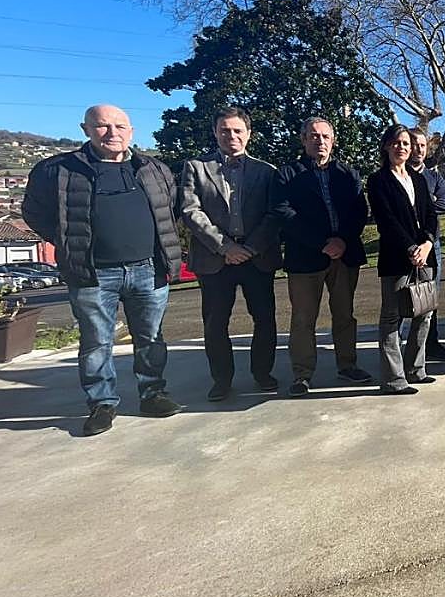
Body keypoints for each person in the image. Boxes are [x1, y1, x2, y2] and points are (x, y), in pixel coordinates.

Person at [23, 104, 184, 436]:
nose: (112, 133)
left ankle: (153, 393)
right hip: (93, 273)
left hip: (148, 269)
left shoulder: (153, 169)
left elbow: (172, 209)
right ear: (85, 129)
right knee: (96, 341)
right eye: (103, 126)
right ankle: (102, 403)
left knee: (151, 338)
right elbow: (34, 212)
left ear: (132, 132)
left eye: (120, 126)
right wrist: (65, 240)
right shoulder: (58, 170)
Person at [179, 107, 284, 402]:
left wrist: (249, 248)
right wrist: (225, 247)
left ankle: (263, 373)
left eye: (238, 130)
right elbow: (190, 210)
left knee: (264, 319)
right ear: (215, 132)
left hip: (256, 257)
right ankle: (221, 380)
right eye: (225, 130)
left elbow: (273, 215)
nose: (232, 136)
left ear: (248, 134)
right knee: (215, 323)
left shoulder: (267, 171)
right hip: (215, 259)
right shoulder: (195, 167)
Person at [277, 117, 372, 397]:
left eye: (326, 136)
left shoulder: (348, 173)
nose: (320, 141)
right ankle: (302, 374)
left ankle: (348, 365)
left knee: (345, 315)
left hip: (344, 255)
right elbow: (284, 213)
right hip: (306, 258)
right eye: (314, 136)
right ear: (304, 140)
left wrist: (342, 240)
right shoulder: (287, 174)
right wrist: (321, 244)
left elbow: (359, 210)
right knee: (304, 318)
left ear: (333, 140)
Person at [364, 125, 437, 393]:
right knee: (392, 318)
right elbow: (387, 221)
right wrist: (410, 248)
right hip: (397, 258)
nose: (402, 148)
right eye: (396, 143)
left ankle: (416, 369)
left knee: (424, 312)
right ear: (386, 146)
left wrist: (427, 243)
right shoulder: (378, 181)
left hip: (425, 256)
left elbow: (431, 214)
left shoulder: (419, 179)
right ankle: (394, 379)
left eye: (406, 143)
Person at [409, 128, 445, 361]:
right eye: (414, 144)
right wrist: (428, 203)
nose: (418, 149)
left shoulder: (434, 177)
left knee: (430, 295)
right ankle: (400, 347)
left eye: (422, 146)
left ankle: (431, 343)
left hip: (430, 243)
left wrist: (417, 206)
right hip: (404, 243)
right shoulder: (396, 174)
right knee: (399, 299)